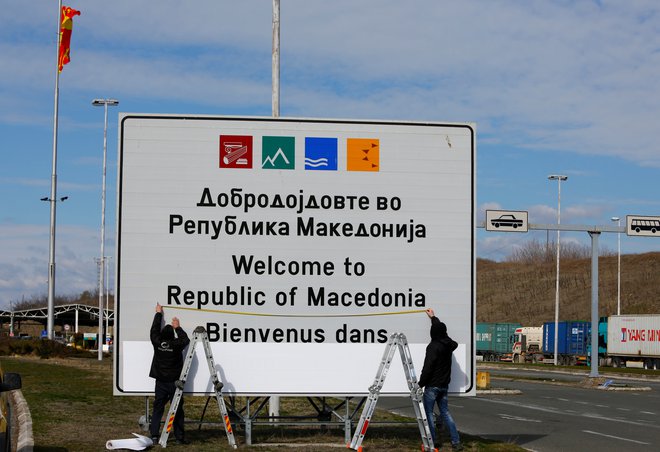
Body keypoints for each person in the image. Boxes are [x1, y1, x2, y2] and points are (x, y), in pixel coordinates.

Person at [418, 308, 462, 451]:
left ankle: (433, 441)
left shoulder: (433, 347)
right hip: (444, 386)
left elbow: (428, 368)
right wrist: (433, 318)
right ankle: (456, 442)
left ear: (433, 333)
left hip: (432, 386)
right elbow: (446, 337)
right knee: (445, 413)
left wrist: (420, 384)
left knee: (429, 414)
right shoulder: (449, 345)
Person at [149, 303, 190, 445]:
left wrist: (158, 313)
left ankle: (154, 436)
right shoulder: (176, 345)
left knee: (158, 408)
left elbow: (154, 330)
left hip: (160, 382)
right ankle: (179, 438)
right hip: (174, 383)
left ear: (161, 335)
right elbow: (186, 340)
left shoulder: (157, 342)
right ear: (172, 336)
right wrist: (177, 327)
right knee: (177, 409)